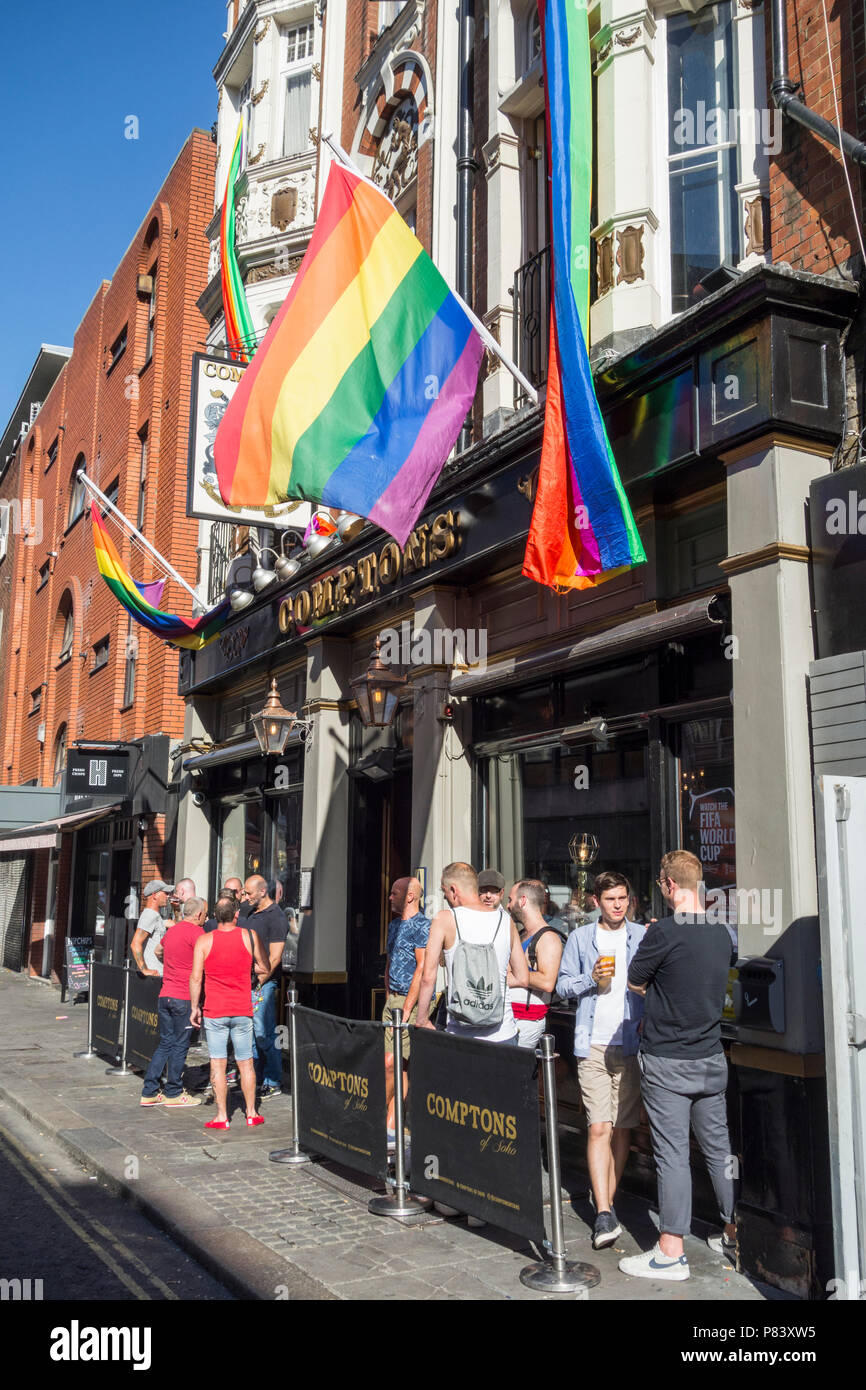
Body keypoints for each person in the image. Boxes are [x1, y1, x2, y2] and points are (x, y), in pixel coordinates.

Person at [618, 850, 738, 1281]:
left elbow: (635, 982)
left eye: (661, 885)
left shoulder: (663, 932)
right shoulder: (723, 933)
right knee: (720, 1151)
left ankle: (671, 1251)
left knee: (672, 1155)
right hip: (710, 1058)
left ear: (669, 885)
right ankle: (731, 1231)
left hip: (668, 1058)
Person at [556, 870, 646, 1250]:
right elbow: (561, 986)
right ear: (597, 902)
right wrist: (588, 978)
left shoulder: (641, 936)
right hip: (591, 1043)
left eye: (623, 898)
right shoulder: (580, 938)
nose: (618, 905)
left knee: (622, 1128)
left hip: (629, 1042)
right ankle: (606, 1213)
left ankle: (605, 1197)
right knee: (599, 1127)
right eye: (611, 899)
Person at [190, 895, 271, 1128]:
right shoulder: (249, 936)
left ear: (215, 916)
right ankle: (252, 1113)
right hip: (242, 1009)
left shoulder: (204, 941)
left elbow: (196, 978)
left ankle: (222, 1116)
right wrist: (248, 970)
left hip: (215, 1010)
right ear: (236, 915)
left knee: (218, 1063)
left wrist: (194, 1007)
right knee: (246, 1063)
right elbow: (264, 967)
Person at [140, 897, 208, 1109]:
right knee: (180, 1045)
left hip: (165, 995)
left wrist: (172, 963)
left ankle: (149, 1092)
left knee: (165, 1043)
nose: (206, 918)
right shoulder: (198, 933)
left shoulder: (173, 931)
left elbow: (157, 951)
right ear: (197, 914)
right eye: (205, 914)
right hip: (183, 997)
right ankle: (174, 1092)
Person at [382, 876, 431, 1138]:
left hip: (408, 1002)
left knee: (391, 1061)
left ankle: (377, 1113)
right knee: (397, 1064)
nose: (390, 898)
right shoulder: (393, 926)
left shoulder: (423, 925)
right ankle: (393, 1124)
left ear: (410, 896)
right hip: (393, 999)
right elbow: (390, 961)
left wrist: (409, 1007)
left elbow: (422, 968)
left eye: (394, 893)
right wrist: (389, 995)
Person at [242, 875, 289, 1099]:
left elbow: (275, 957)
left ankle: (273, 1080)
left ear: (262, 892)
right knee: (250, 1034)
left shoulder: (277, 917)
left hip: (264, 984)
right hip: (245, 982)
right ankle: (257, 1077)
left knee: (265, 1032)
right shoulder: (249, 912)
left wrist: (258, 983)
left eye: (249, 893)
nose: (246, 896)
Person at [505, 879, 565, 1050]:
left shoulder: (548, 938)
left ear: (522, 900)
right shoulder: (520, 933)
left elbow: (547, 982)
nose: (508, 906)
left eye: (510, 900)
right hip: (510, 1017)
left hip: (526, 1021)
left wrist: (515, 976)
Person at [129, 880, 173, 977]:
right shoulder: (150, 915)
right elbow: (135, 944)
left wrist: (177, 909)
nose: (168, 896)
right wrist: (145, 970)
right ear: (154, 895)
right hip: (152, 977)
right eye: (165, 893)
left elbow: (176, 925)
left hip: (158, 974)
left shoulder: (156, 916)